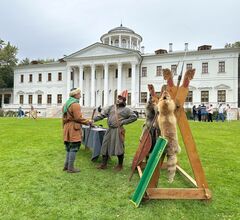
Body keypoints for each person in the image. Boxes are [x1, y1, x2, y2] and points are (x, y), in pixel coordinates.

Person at [93, 90, 137, 171]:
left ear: (124, 100)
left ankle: (120, 165)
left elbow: (134, 117)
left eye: (120, 99)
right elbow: (102, 115)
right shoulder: (111, 107)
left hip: (118, 130)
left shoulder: (127, 110)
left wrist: (123, 122)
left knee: (119, 147)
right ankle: (104, 164)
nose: (118, 100)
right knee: (105, 146)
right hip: (109, 130)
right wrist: (93, 120)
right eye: (118, 98)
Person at [62, 88, 92, 173]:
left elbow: (63, 118)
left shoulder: (66, 104)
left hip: (67, 127)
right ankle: (70, 168)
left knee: (68, 147)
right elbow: (78, 118)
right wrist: (88, 121)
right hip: (73, 128)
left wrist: (64, 128)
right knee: (74, 147)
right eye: (79, 93)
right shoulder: (75, 104)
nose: (80, 95)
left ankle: (66, 166)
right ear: (75, 94)